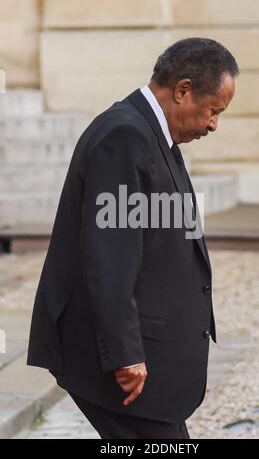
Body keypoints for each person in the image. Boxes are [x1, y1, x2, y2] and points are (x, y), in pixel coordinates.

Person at [27, 38, 238, 439]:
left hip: (150, 361)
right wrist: (125, 354)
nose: (213, 124)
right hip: (123, 365)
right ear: (183, 90)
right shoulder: (125, 136)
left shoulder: (154, 134)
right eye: (213, 111)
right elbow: (110, 258)